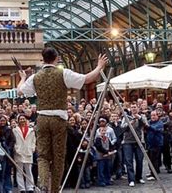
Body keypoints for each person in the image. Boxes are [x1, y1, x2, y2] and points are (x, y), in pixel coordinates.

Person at [17, 47, 108, 192]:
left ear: (43, 59)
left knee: (42, 156)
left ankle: (44, 183)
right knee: (58, 156)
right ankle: (55, 189)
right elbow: (87, 78)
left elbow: (20, 90)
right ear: (57, 58)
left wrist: (22, 78)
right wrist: (99, 66)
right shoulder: (63, 73)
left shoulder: (36, 77)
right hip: (58, 119)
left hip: (42, 118)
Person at [121, 102, 147, 187]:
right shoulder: (126, 117)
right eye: (132, 107)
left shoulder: (142, 116)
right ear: (130, 109)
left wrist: (138, 118)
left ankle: (138, 177)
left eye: (135, 107)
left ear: (138, 108)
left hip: (139, 141)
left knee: (139, 160)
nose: (133, 108)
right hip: (128, 142)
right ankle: (131, 179)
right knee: (129, 161)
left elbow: (145, 124)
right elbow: (122, 127)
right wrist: (129, 123)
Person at [12, 115, 36, 193]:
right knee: (20, 171)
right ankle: (21, 188)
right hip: (19, 152)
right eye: (20, 119)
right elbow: (14, 141)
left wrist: (32, 148)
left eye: (23, 119)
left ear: (26, 120)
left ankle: (30, 187)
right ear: (18, 120)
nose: (22, 120)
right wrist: (16, 149)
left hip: (28, 152)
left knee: (29, 170)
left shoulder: (31, 130)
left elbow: (33, 140)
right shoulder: (15, 130)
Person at [146, 110, 163, 181]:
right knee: (150, 159)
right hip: (150, 143)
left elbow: (155, 129)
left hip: (156, 143)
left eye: (154, 115)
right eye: (152, 115)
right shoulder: (149, 122)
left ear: (157, 116)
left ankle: (154, 174)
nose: (152, 117)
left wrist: (148, 126)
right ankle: (151, 172)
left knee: (154, 159)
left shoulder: (160, 123)